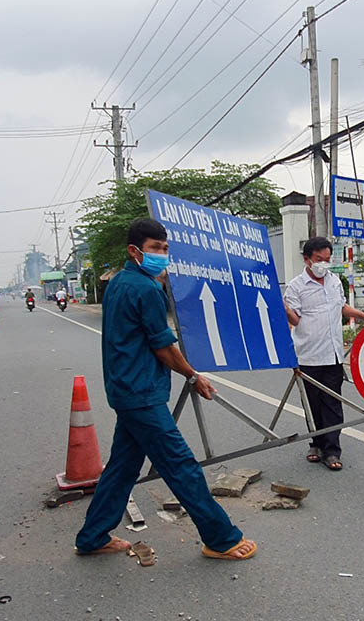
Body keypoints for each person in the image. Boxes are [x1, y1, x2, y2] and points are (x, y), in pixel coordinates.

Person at [75, 217, 256, 560]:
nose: (162, 255)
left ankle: (92, 536)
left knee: (123, 467)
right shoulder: (146, 288)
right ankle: (220, 538)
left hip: (126, 390)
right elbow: (163, 347)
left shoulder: (118, 283)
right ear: (135, 251)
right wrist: (193, 375)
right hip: (142, 394)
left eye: (165, 249)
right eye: (155, 249)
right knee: (181, 465)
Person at [283, 236, 364, 471]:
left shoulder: (334, 281)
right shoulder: (296, 286)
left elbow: (341, 307)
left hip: (334, 355)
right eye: (319, 260)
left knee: (333, 403)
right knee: (312, 403)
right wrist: (284, 309)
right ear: (307, 259)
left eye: (327, 259)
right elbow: (295, 319)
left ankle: (332, 450)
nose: (323, 264)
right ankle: (316, 443)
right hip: (307, 355)